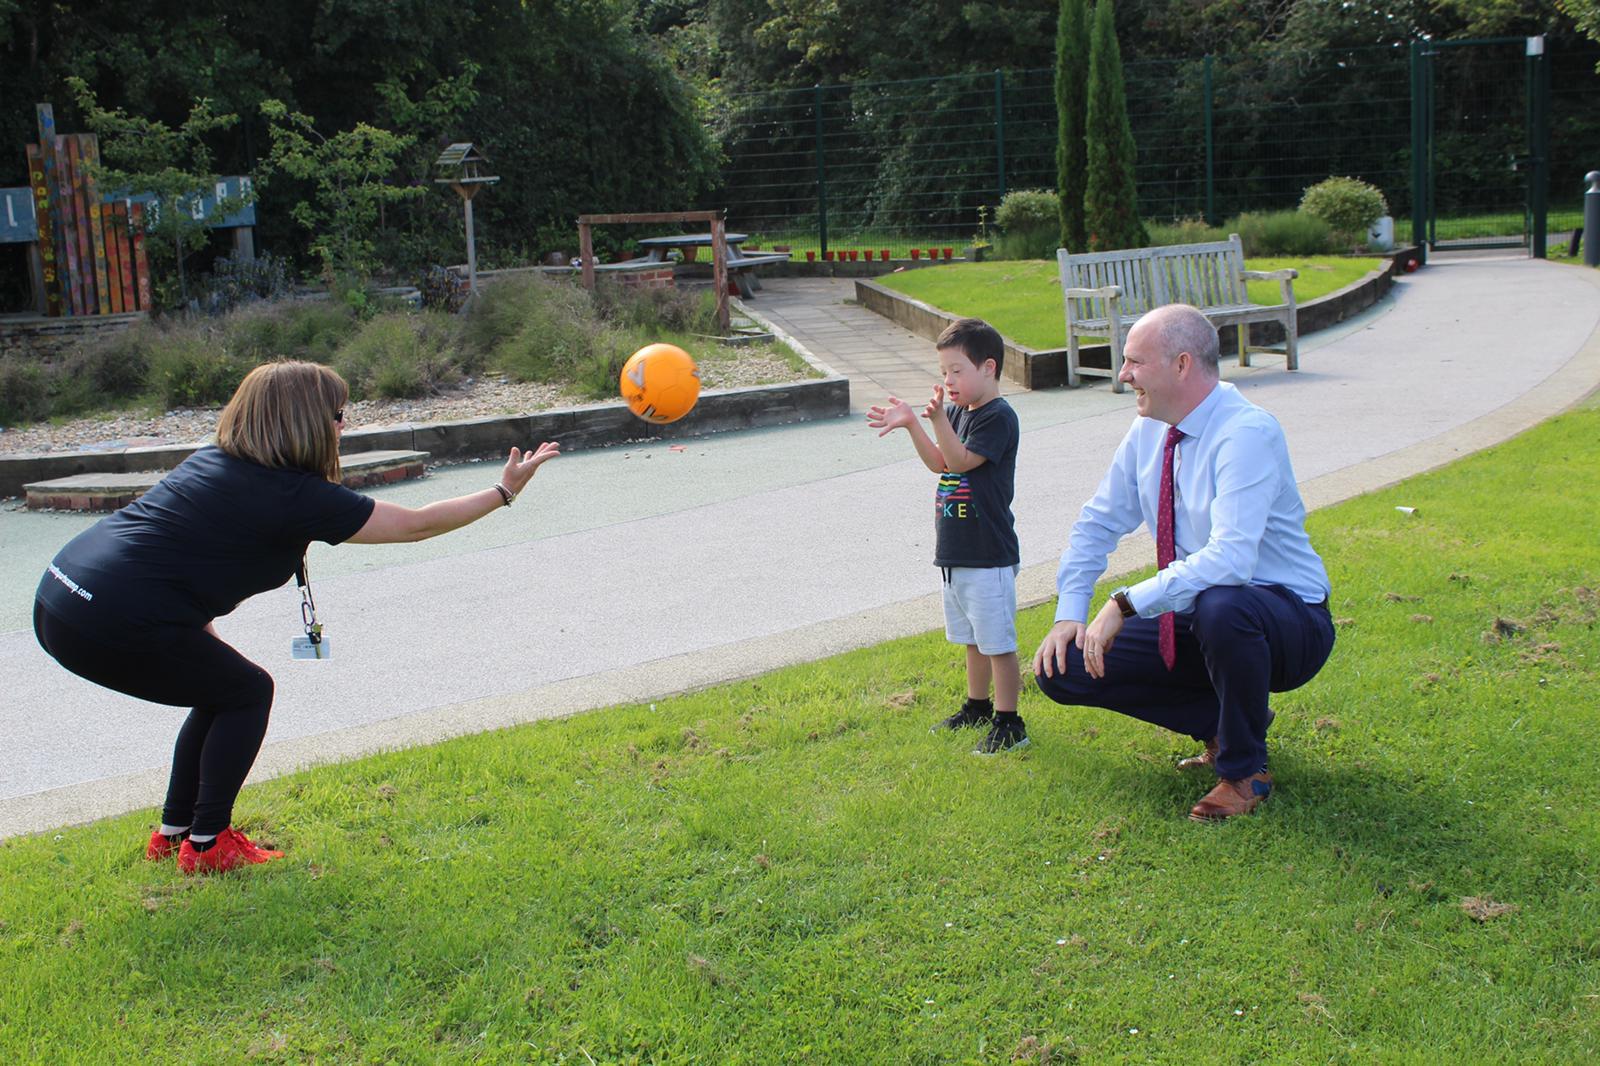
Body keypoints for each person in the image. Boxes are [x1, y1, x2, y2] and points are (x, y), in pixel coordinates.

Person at [32, 361, 561, 874]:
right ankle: (209, 843)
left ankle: (175, 837)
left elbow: (170, 568)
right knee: (246, 691)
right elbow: (415, 525)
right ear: (306, 421)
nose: (343, 424)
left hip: (60, 596)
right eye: (337, 414)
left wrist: (196, 639)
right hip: (107, 616)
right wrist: (504, 490)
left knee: (222, 690)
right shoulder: (294, 495)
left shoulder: (214, 461)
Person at [1031, 304, 1334, 821]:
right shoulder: (1148, 430)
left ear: (1182, 365)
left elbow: (1232, 560)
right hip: (1202, 613)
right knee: (1062, 669)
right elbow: (1097, 522)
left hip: (1288, 621)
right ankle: (1230, 721)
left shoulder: (1247, 433)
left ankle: (1244, 771)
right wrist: (1070, 612)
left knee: (1222, 605)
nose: (1123, 375)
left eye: (1133, 362)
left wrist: (1124, 603)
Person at [867, 318, 1025, 753]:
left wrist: (936, 418)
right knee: (972, 638)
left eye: (957, 371)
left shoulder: (998, 417)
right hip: (956, 552)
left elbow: (959, 461)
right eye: (943, 373)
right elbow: (939, 463)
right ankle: (977, 707)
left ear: (988, 368)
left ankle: (1010, 722)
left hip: (989, 553)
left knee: (998, 643)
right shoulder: (955, 411)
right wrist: (913, 425)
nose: (948, 381)